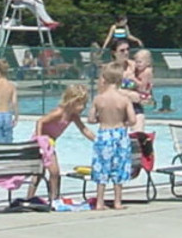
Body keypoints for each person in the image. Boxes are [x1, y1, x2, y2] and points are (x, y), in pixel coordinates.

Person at [26, 84, 96, 203]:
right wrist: (40, 139)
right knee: (51, 172)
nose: (83, 107)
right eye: (80, 104)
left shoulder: (73, 116)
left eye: (84, 104)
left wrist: (97, 140)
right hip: (42, 142)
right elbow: (40, 121)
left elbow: (84, 129)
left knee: (44, 172)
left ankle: (52, 197)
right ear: (71, 101)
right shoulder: (59, 112)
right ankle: (50, 198)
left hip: (50, 143)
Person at [88, 64, 136, 210]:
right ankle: (117, 202)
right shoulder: (124, 99)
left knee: (102, 167)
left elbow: (90, 119)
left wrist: (99, 119)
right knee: (119, 168)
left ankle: (100, 202)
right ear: (120, 79)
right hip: (120, 133)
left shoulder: (98, 99)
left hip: (104, 133)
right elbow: (133, 120)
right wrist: (124, 122)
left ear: (105, 79)